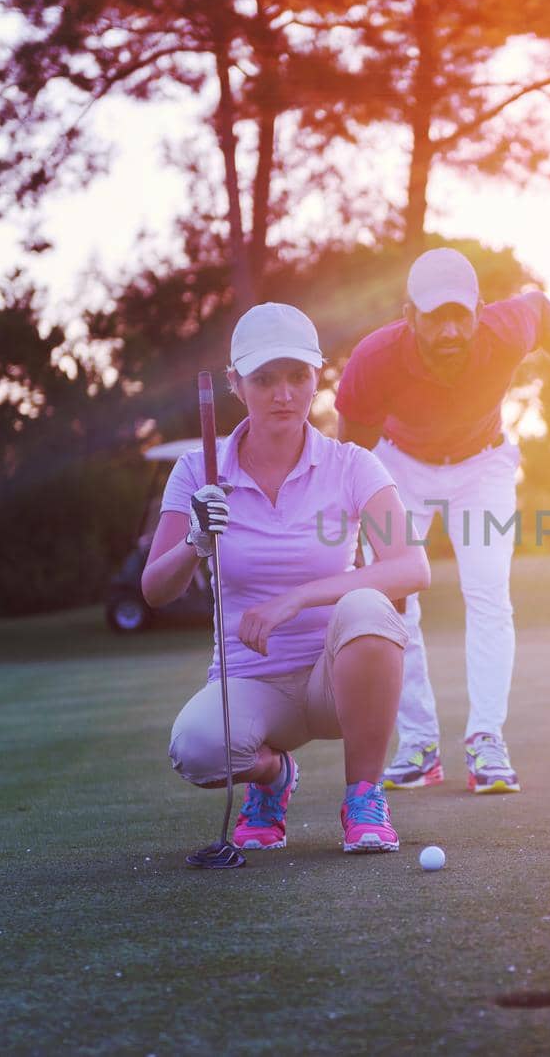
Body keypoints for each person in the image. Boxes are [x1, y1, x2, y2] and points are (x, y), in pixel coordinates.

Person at [143, 302, 430, 853]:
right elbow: (156, 590)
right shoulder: (197, 471)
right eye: (265, 379)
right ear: (235, 383)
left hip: (334, 678)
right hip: (253, 682)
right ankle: (273, 779)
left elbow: (411, 567)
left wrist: (296, 599)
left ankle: (365, 797)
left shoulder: (351, 464)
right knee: (197, 749)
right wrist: (194, 543)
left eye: (298, 376)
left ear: (316, 377)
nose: (284, 394)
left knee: (370, 606)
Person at [334, 248, 550, 794]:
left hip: (483, 466)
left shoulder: (505, 328)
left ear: (480, 310)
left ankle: (487, 740)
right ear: (410, 315)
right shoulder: (374, 359)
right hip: (398, 467)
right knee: (393, 599)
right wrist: (353, 531)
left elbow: (539, 307)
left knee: (488, 593)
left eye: (461, 314)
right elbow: (351, 457)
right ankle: (418, 742)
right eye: (435, 317)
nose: (450, 330)